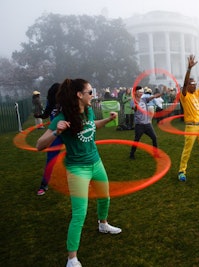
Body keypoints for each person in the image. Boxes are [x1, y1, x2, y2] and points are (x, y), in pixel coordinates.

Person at [36, 78, 121, 267]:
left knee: (105, 197)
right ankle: (72, 258)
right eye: (90, 92)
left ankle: (103, 224)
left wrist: (107, 120)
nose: (93, 95)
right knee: (79, 214)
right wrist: (56, 132)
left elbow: (91, 124)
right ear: (79, 95)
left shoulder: (89, 110)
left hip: (96, 162)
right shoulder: (62, 118)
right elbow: (39, 145)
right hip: (78, 169)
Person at [34, 83, 62, 195]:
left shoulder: (67, 101)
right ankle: (44, 185)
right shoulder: (51, 102)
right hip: (55, 133)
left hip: (68, 132)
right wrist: (39, 116)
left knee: (77, 155)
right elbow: (46, 114)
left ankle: (84, 179)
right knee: (51, 159)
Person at [129, 86, 161, 160]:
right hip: (139, 125)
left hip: (147, 124)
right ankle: (132, 154)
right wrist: (136, 104)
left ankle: (156, 153)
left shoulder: (143, 99)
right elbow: (134, 109)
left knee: (154, 138)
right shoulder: (132, 101)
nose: (141, 94)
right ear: (135, 93)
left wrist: (156, 95)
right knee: (137, 140)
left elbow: (150, 98)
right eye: (139, 92)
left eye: (141, 92)